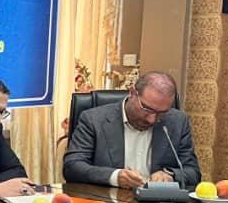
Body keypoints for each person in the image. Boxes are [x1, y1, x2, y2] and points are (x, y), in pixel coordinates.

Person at [62, 71, 201, 190]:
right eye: (147, 109)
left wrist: (170, 175)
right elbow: (72, 167)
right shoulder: (94, 120)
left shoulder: (177, 122)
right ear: (133, 93)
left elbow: (193, 172)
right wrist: (115, 177)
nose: (152, 119)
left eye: (162, 113)